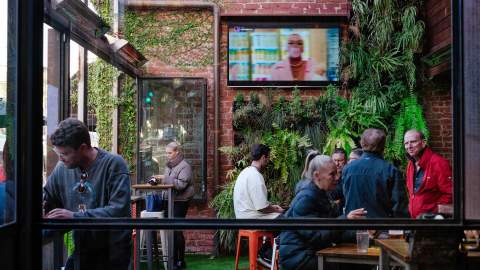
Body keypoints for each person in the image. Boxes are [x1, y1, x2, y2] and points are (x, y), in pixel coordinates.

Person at [43, 118, 131, 270]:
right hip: (82, 252)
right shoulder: (61, 168)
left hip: (113, 254)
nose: (60, 158)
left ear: (83, 148)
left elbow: (119, 211)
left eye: (65, 153)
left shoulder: (114, 164)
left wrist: (74, 217)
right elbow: (48, 198)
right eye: (58, 153)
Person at [279, 155, 367, 270]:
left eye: (337, 173)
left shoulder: (323, 194)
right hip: (300, 258)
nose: (337, 178)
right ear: (317, 176)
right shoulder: (306, 199)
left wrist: (363, 234)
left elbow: (335, 233)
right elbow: (318, 236)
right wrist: (345, 220)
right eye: (332, 174)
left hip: (314, 252)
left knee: (360, 264)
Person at [343, 128, 408, 218]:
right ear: (383, 146)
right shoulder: (390, 170)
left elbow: (346, 197)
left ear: (362, 143)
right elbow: (399, 207)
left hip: (354, 226)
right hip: (381, 228)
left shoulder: (348, 169)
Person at [150, 141, 194, 269]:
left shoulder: (184, 166)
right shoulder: (169, 166)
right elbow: (168, 183)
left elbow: (180, 185)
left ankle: (179, 260)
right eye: (166, 153)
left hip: (180, 201)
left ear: (177, 152)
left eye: (170, 153)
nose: (167, 155)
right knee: (171, 230)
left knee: (176, 230)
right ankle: (174, 260)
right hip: (169, 200)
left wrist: (163, 178)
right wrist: (158, 180)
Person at [404, 129, 453, 218]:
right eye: (406, 143)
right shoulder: (411, 164)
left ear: (423, 143)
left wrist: (434, 210)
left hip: (432, 221)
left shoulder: (438, 163)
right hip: (415, 221)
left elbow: (449, 193)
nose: (409, 146)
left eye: (413, 142)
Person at [233, 144, 284, 219]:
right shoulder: (255, 175)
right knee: (291, 222)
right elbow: (262, 207)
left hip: (244, 218)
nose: (268, 162)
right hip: (254, 220)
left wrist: (272, 207)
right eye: (268, 158)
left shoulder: (245, 172)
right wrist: (276, 210)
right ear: (263, 157)